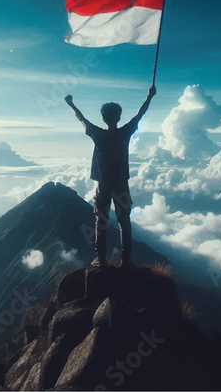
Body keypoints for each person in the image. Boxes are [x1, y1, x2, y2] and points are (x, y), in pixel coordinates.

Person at [65, 85, 157, 268]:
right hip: (122, 184)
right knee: (125, 221)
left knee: (101, 221)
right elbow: (140, 114)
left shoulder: (97, 134)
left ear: (103, 117)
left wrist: (71, 104)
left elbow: (81, 118)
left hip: (103, 185)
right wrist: (149, 97)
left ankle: (101, 258)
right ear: (119, 116)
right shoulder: (125, 133)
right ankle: (126, 260)